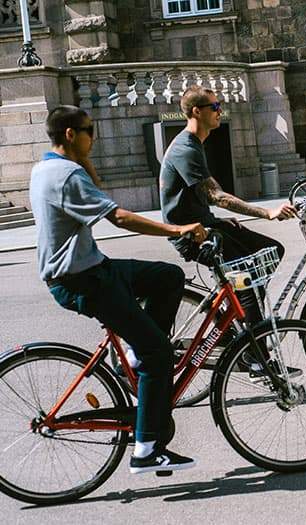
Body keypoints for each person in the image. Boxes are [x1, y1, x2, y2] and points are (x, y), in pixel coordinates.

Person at [30, 105, 207, 474]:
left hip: (93, 268)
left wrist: (83, 161)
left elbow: (94, 190)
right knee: (159, 354)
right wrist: (177, 230)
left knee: (168, 277)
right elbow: (118, 217)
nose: (93, 137)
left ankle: (137, 353)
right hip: (83, 281)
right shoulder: (65, 175)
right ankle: (145, 448)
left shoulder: (47, 167)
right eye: (88, 131)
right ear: (69, 134)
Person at [159, 86, 299, 374]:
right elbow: (216, 196)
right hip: (191, 236)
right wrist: (266, 212)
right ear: (197, 111)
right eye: (215, 106)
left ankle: (235, 321)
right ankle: (256, 357)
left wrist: (220, 221)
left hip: (207, 227)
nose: (220, 111)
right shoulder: (185, 148)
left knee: (271, 252)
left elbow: (201, 200)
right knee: (246, 284)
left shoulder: (195, 144)